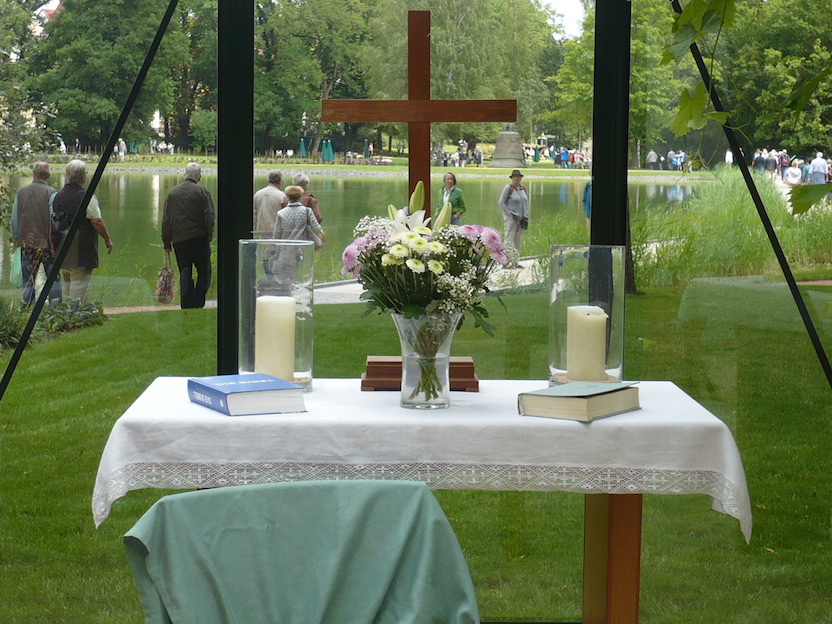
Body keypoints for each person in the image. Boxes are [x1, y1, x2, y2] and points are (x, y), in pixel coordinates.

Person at [51, 159, 113, 301]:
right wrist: (107, 239)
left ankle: (68, 313)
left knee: (69, 283)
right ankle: (74, 314)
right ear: (84, 177)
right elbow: (97, 221)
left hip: (63, 247)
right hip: (81, 249)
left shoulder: (56, 196)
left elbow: (53, 222)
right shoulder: (87, 197)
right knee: (79, 284)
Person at [162, 162, 215, 309]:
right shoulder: (202, 192)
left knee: (185, 272)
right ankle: (198, 303)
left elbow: (166, 219)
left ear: (184, 174)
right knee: (204, 273)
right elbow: (209, 216)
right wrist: (208, 236)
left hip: (180, 241)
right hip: (199, 239)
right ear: (199, 177)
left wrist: (166, 242)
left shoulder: (173, 193)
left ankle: (186, 304)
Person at [11, 162, 62, 305]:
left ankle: (28, 306)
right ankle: (57, 308)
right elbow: (55, 220)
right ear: (49, 176)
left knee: (28, 279)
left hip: (27, 242)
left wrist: (17, 237)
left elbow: (15, 219)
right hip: (47, 243)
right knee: (53, 278)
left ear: (33, 174)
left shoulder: (21, 192)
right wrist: (55, 241)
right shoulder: (52, 193)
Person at [271, 185, 326, 282]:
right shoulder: (306, 211)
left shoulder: (281, 213)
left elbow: (276, 235)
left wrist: (274, 252)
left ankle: (288, 289)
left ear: (287, 197)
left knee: (284, 274)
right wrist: (322, 238)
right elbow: (317, 228)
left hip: (285, 249)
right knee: (300, 275)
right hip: (301, 248)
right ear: (300, 197)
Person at [498, 170, 529, 262]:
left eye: (518, 177)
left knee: (518, 241)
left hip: (522, 219)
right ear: (512, 178)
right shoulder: (508, 188)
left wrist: (526, 214)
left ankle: (515, 261)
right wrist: (508, 213)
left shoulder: (523, 188)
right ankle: (507, 261)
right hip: (511, 218)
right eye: (515, 177)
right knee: (509, 240)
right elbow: (501, 202)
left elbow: (526, 202)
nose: (517, 178)